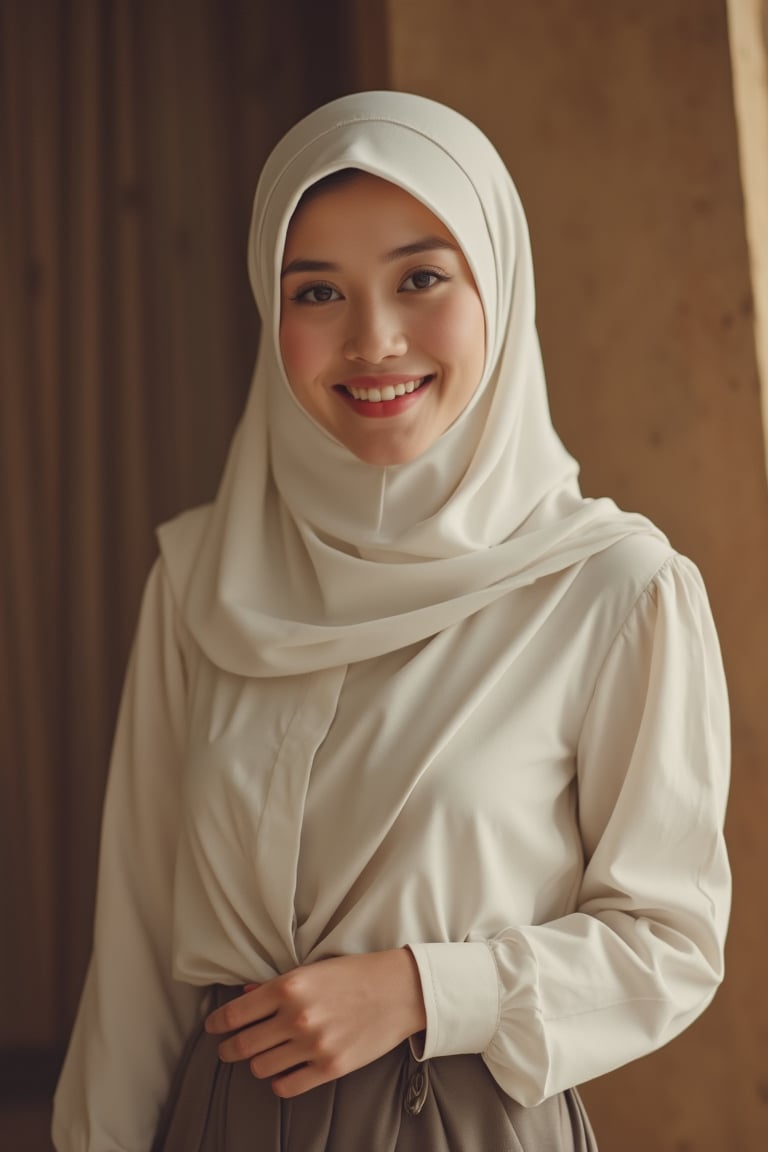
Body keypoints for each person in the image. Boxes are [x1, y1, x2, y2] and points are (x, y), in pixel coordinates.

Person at [52, 91, 731, 1151]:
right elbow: (134, 953)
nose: (372, 340)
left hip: (466, 1120)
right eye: (316, 290)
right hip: (219, 1121)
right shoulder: (199, 581)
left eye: (421, 277)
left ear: (498, 287)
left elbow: (670, 944)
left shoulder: (613, 589)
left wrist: (423, 989)